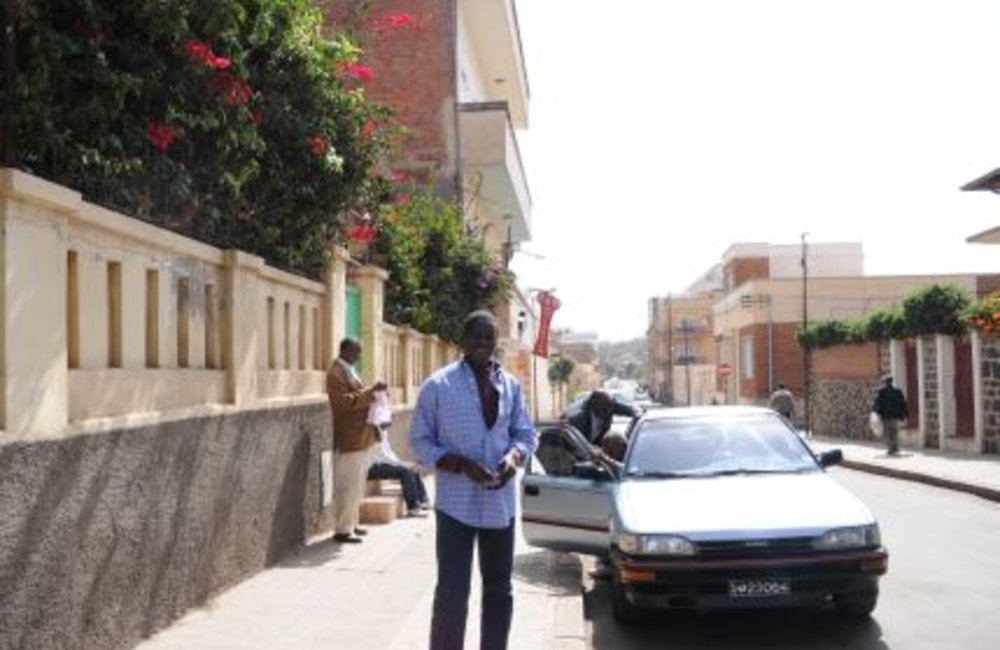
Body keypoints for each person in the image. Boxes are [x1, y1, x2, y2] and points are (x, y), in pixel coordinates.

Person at [410, 310, 538, 650]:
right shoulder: (438, 386)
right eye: (476, 337)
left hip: (500, 505)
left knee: (499, 591)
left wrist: (514, 457)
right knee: (452, 592)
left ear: (496, 342)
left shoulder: (510, 386)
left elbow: (526, 433)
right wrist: (461, 464)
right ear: (463, 341)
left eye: (488, 337)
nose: (482, 343)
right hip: (456, 507)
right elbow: (420, 442)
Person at [327, 337, 386, 544]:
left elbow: (358, 395)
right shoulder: (335, 373)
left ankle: (352, 523)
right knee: (347, 485)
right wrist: (370, 392)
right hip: (349, 439)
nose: (359, 356)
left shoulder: (349, 370)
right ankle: (343, 530)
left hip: (361, 437)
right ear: (345, 350)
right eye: (356, 351)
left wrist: (372, 394)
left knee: (358, 484)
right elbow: (342, 403)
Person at [367, 425, 430, 516]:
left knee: (412, 469)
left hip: (383, 463)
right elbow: (383, 457)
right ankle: (413, 508)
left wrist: (403, 463)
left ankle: (423, 500)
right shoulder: (372, 432)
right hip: (373, 467)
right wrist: (403, 464)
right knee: (405, 472)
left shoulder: (383, 431)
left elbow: (389, 454)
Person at [567, 389, 640, 445]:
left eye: (609, 406)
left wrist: (636, 414)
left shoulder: (609, 406)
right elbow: (576, 442)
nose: (608, 410)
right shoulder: (580, 418)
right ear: (594, 404)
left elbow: (627, 410)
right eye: (604, 408)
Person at [873, 375, 908, 455]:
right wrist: (904, 414)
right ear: (892, 382)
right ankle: (895, 447)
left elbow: (877, 403)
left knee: (888, 433)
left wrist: (876, 412)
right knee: (894, 432)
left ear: (885, 383)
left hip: (886, 416)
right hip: (895, 416)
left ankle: (890, 449)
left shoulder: (882, 392)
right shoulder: (897, 391)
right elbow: (903, 403)